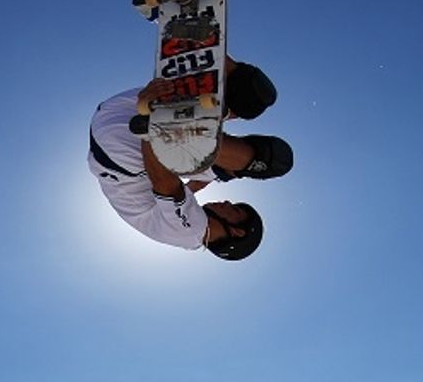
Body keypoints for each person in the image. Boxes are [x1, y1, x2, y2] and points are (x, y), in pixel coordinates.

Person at [89, 58, 292, 261]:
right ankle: (200, 40)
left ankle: (167, 122)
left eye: (235, 209)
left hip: (124, 149)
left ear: (236, 232)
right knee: (253, 98)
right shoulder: (179, 223)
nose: (228, 202)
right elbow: (193, 184)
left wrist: (150, 123)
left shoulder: (193, 232)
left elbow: (165, 184)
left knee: (272, 161)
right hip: (117, 117)